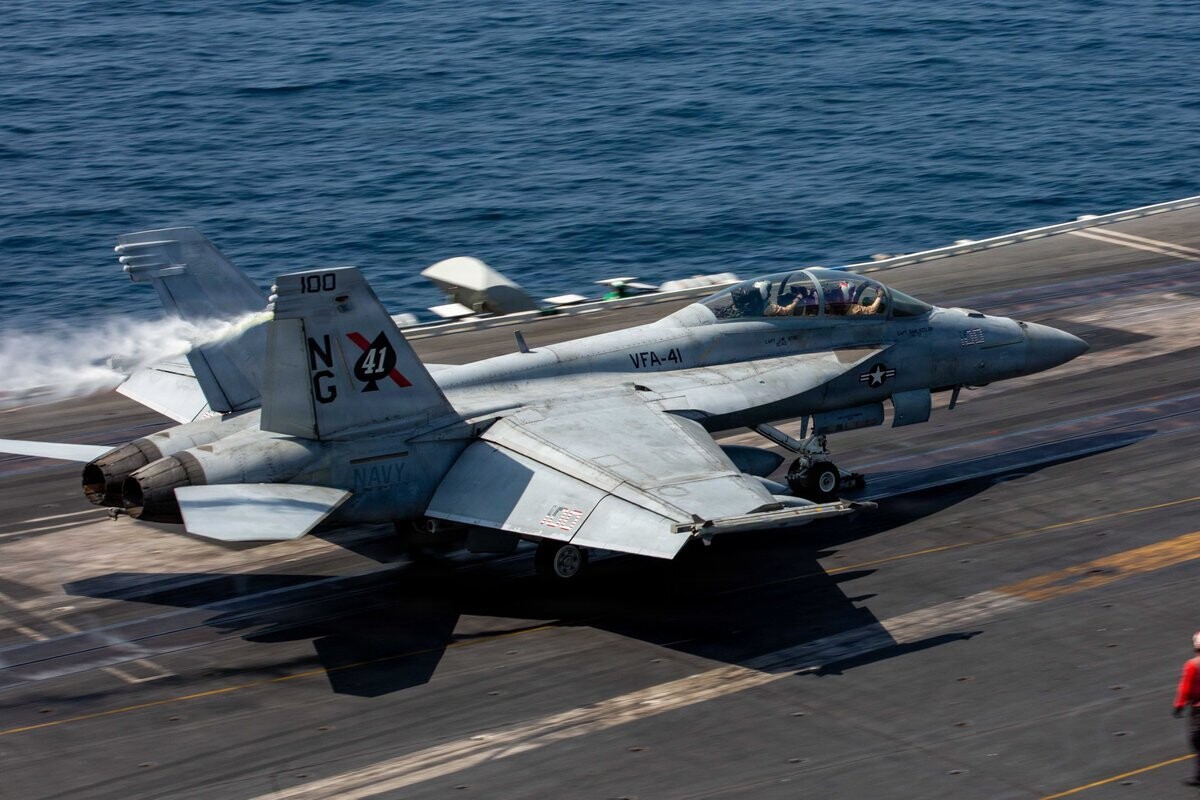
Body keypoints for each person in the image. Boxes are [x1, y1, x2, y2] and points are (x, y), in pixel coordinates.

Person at [1174, 631, 1200, 786]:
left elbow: (1185, 688)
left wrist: (1179, 706)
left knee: (1197, 741)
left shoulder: (1192, 665)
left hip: (1198, 711)